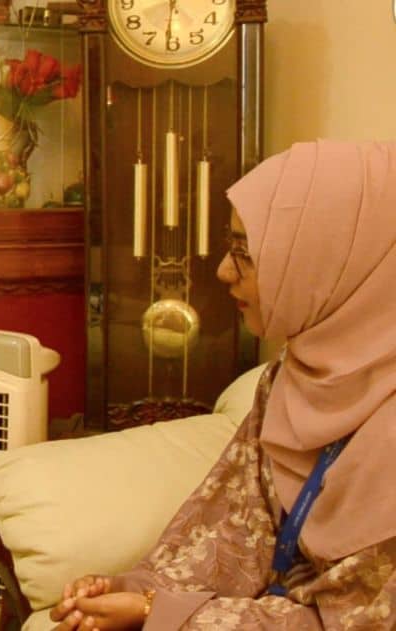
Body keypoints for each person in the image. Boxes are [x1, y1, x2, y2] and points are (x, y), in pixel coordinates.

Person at [47, 140, 396, 630]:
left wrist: (158, 613)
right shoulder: (288, 378)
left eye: (245, 253)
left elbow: (353, 621)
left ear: (331, 261)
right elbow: (229, 532)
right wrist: (133, 590)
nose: (223, 271)